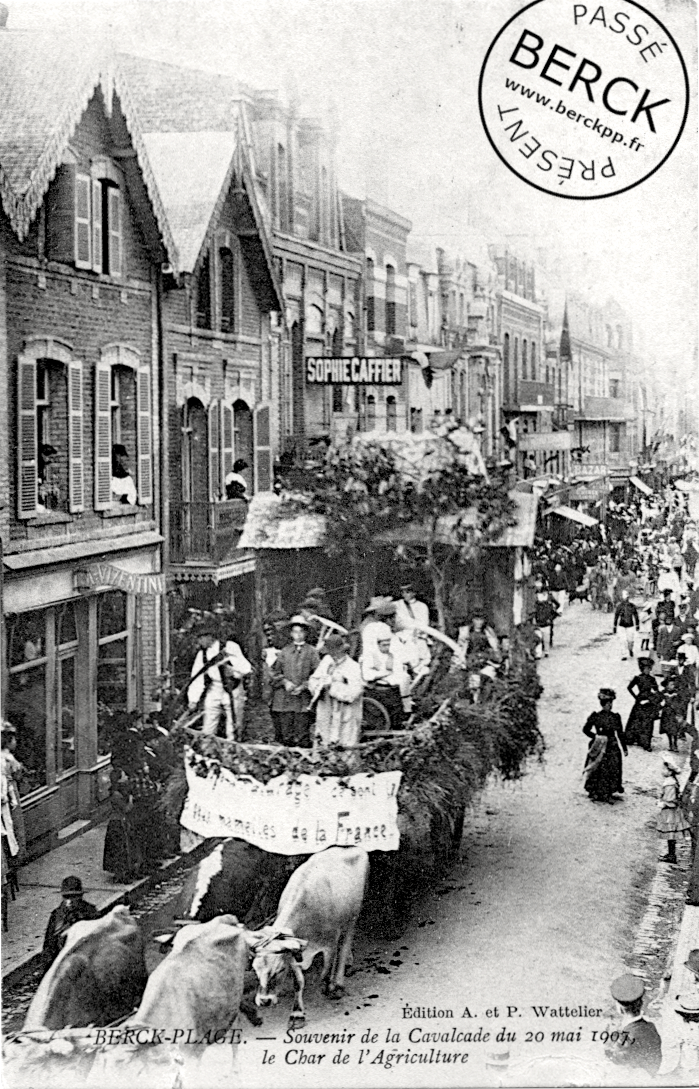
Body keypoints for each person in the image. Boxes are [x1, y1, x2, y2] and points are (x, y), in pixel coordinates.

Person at [269, 616, 320, 747]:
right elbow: (274, 672)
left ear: (306, 633)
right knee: (286, 732)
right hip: (285, 698)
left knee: (302, 732)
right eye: (295, 632)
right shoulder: (285, 651)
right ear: (291, 633)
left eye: (301, 631)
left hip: (303, 699)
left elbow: (318, 674)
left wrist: (304, 685)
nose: (298, 635)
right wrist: (285, 682)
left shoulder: (312, 652)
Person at [308, 634, 364, 748]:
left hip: (345, 713)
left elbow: (355, 692)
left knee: (345, 743)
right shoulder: (326, 661)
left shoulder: (353, 667)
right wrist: (319, 685)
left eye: (335, 653)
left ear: (342, 651)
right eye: (330, 653)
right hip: (326, 709)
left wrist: (333, 687)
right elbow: (313, 680)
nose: (333, 656)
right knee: (323, 740)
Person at [605, 974, 662, 1077]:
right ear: (641, 1003)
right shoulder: (650, 1027)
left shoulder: (627, 1037)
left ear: (620, 1009)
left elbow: (616, 1063)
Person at [42, 876, 99, 970]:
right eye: (66, 897)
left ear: (80, 896)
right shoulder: (57, 915)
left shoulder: (90, 912)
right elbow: (49, 946)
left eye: (73, 896)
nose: (69, 901)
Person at [582, 688, 627, 804]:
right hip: (600, 745)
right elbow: (585, 729)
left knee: (612, 767)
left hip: (612, 745)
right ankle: (595, 791)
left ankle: (608, 792)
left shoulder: (615, 717)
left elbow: (620, 733)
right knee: (598, 768)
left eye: (611, 703)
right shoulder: (596, 716)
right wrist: (596, 737)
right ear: (603, 704)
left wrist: (624, 748)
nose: (610, 706)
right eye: (607, 704)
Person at [360, 622, 407, 728]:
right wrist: (384, 674)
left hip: (391, 691)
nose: (387, 647)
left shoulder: (393, 657)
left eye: (388, 644)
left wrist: (390, 676)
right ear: (378, 645)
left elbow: (398, 673)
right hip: (376, 691)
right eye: (384, 645)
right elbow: (367, 675)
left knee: (396, 717)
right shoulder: (370, 657)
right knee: (377, 719)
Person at [657, 755, 690, 863]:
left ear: (670, 771)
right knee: (670, 834)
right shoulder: (670, 781)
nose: (662, 771)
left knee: (671, 833)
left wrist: (662, 803)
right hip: (670, 810)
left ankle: (672, 855)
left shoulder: (670, 783)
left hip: (670, 811)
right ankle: (671, 854)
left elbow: (670, 800)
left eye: (664, 769)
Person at [625, 659, 660, 751]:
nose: (648, 670)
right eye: (646, 668)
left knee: (647, 723)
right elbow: (629, 688)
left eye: (649, 668)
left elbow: (656, 690)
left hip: (649, 701)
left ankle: (646, 743)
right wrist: (636, 697)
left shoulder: (652, 679)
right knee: (636, 720)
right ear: (642, 669)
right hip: (640, 701)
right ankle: (634, 738)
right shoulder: (637, 678)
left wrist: (653, 697)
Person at [613, 590, 639, 660]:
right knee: (622, 640)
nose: (626, 599)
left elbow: (636, 615)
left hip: (630, 625)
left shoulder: (632, 606)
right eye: (625, 598)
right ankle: (624, 654)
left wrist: (637, 625)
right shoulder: (619, 606)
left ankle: (630, 649)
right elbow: (616, 616)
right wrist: (614, 626)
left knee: (630, 640)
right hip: (622, 625)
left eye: (627, 598)